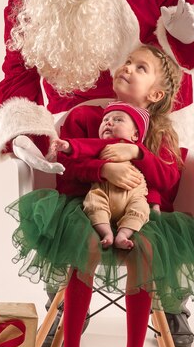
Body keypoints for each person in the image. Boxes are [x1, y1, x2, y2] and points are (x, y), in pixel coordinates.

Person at [0, 0, 194, 347]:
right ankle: (61, 292)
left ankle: (170, 300)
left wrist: (187, 24)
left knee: (161, 201)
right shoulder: (25, 4)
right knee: (72, 206)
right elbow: (16, 76)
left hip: (157, 116)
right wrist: (26, 129)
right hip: (78, 128)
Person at [5, 45, 194, 347]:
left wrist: (138, 155)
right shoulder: (84, 116)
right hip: (85, 209)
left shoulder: (162, 133)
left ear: (156, 93)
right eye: (127, 62)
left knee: (145, 252)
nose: (128, 68)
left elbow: (171, 177)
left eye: (141, 67)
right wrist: (102, 169)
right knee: (83, 248)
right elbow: (64, 169)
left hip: (143, 215)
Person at [49, 101, 155, 250]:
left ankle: (123, 234)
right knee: (94, 202)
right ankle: (106, 233)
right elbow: (85, 146)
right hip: (104, 190)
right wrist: (69, 146)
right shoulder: (103, 144)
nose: (109, 122)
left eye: (118, 120)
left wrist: (156, 200)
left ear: (135, 135)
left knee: (141, 208)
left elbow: (156, 171)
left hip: (132, 194)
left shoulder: (139, 150)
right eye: (105, 120)